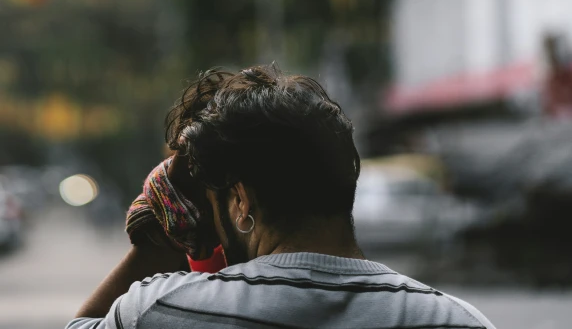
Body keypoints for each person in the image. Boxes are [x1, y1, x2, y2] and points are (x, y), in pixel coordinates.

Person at [66, 64, 496, 329]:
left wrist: (162, 239)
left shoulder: (164, 310)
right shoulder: (453, 320)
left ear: (241, 201)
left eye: (213, 208)